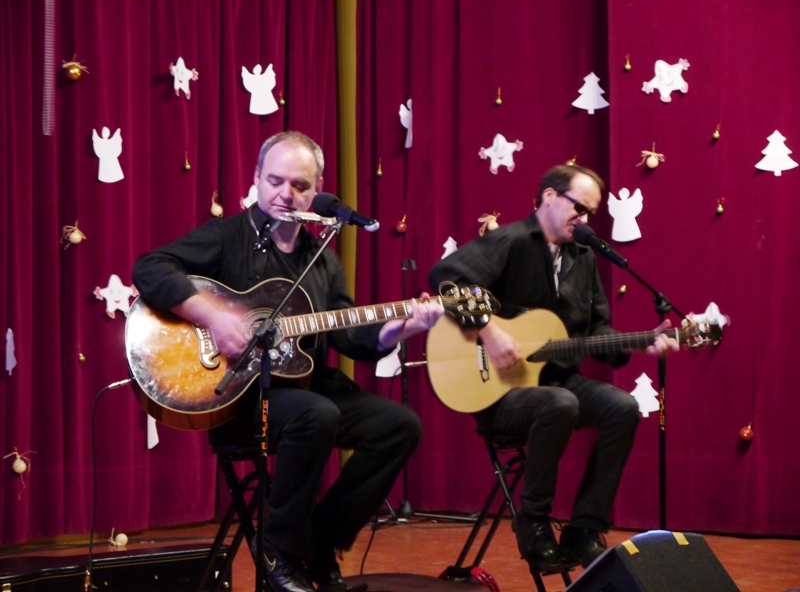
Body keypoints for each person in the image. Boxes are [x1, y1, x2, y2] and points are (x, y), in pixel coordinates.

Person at [132, 131, 444, 592]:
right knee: (316, 414)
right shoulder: (227, 236)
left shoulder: (321, 261)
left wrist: (405, 327)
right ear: (257, 178)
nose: (286, 194)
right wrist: (213, 315)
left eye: (299, 185)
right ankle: (279, 552)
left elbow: (350, 335)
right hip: (237, 396)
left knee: (398, 425)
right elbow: (150, 268)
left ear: (317, 190)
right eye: (275, 181)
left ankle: (321, 542)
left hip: (304, 391)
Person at [428, 164, 678, 572]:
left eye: (591, 214)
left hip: (559, 379)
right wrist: (490, 330)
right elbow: (446, 276)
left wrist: (642, 342)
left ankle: (585, 529)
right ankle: (534, 522)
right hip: (500, 391)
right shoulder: (510, 240)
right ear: (549, 197)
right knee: (560, 403)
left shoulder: (583, 257)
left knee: (622, 407)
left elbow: (596, 330)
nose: (585, 220)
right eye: (579, 208)